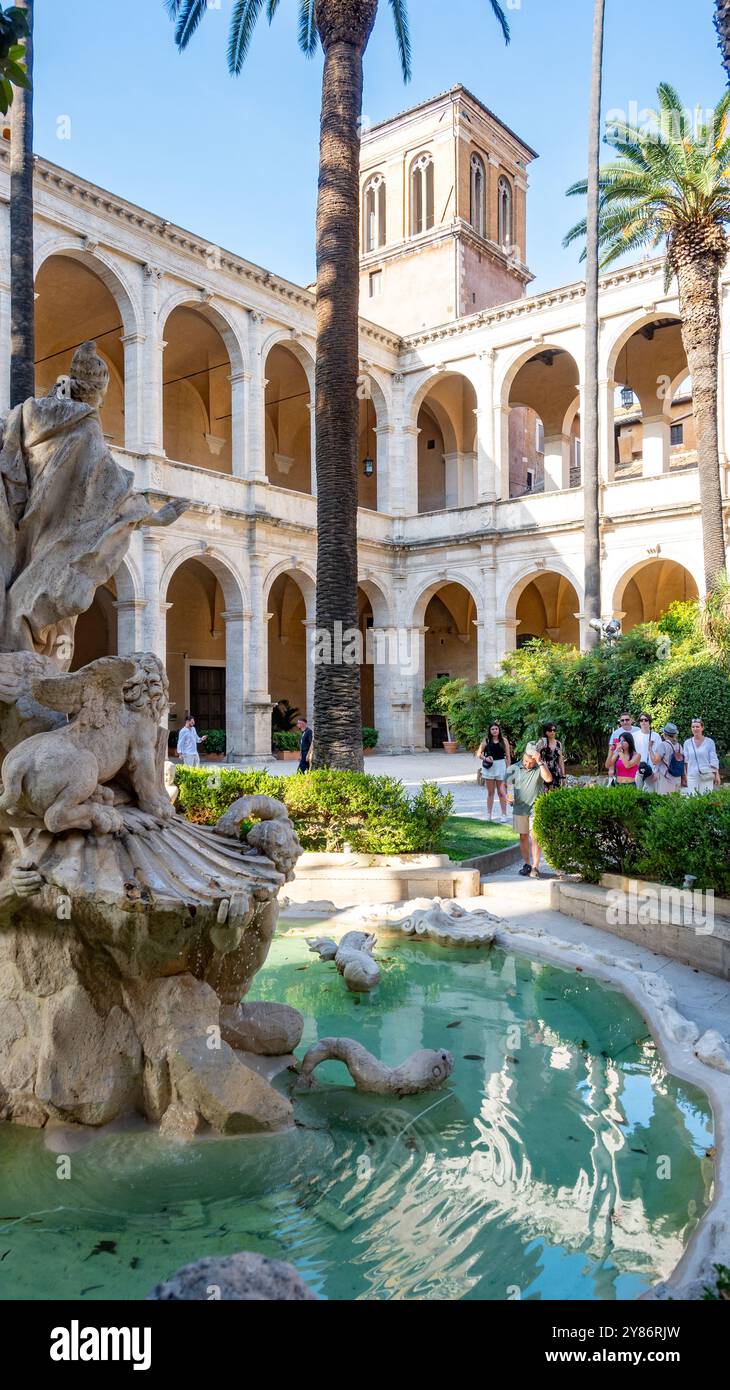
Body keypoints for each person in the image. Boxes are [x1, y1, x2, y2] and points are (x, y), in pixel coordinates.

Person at [505, 741, 553, 878]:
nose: (527, 764)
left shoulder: (539, 768)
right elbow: (504, 784)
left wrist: (539, 762)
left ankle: (535, 866)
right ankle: (527, 864)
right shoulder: (514, 768)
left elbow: (549, 779)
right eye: (526, 761)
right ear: (523, 756)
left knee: (535, 837)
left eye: (530, 763)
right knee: (523, 836)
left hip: (535, 808)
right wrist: (506, 796)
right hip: (520, 808)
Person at [476, 720, 511, 822]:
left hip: (501, 767)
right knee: (490, 792)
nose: (494, 731)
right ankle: (489, 814)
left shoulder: (504, 741)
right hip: (489, 768)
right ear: (489, 730)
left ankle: (504, 814)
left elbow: (508, 756)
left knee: (502, 793)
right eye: (492, 729)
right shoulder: (486, 740)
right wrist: (485, 758)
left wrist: (508, 769)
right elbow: (479, 754)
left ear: (499, 730)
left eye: (496, 729)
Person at [683, 718, 721, 795]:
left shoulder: (709, 742)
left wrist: (717, 775)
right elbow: (685, 761)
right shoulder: (687, 743)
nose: (695, 729)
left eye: (697, 727)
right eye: (693, 727)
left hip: (706, 775)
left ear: (702, 728)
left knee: (706, 798)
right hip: (692, 776)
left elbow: (713, 760)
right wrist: (685, 776)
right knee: (692, 799)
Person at [635, 712, 663, 792]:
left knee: (650, 795)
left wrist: (657, 772)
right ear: (639, 722)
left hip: (652, 771)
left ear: (649, 722)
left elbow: (660, 756)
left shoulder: (656, 736)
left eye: (646, 720)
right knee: (638, 795)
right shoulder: (634, 736)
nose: (643, 722)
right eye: (641, 720)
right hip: (638, 770)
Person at [654, 721, 684, 795]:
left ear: (665, 734)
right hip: (677, 778)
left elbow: (655, 761)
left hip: (666, 778)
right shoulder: (679, 746)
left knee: (665, 801)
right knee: (676, 802)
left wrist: (650, 750)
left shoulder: (663, 745)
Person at [536, 722, 565, 790]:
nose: (552, 732)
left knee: (556, 792)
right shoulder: (541, 742)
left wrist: (563, 775)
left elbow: (560, 760)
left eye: (554, 730)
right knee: (544, 793)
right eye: (550, 730)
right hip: (544, 770)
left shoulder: (558, 743)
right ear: (545, 732)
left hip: (556, 771)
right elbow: (536, 755)